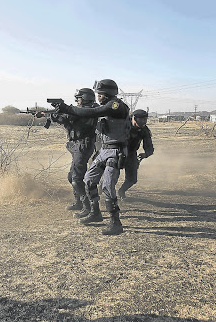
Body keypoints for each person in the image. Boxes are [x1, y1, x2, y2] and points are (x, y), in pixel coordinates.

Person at [56, 79, 130, 235]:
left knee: (107, 186)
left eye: (100, 94)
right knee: (89, 179)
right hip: (104, 150)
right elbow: (88, 112)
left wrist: (69, 109)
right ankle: (95, 213)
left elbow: (92, 112)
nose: (98, 97)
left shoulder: (116, 106)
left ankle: (115, 222)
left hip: (115, 151)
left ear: (108, 93)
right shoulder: (105, 107)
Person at [42, 88, 98, 217]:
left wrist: (49, 115)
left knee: (77, 179)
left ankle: (87, 207)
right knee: (71, 177)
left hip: (83, 145)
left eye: (79, 98)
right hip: (79, 145)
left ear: (84, 98)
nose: (77, 101)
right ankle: (78, 202)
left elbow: (64, 118)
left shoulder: (84, 110)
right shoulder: (86, 109)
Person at [117, 109, 154, 199]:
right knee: (111, 174)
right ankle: (102, 188)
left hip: (131, 154)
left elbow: (149, 146)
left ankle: (122, 191)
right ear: (134, 118)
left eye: (145, 119)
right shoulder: (122, 126)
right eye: (141, 119)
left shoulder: (144, 130)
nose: (143, 122)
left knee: (132, 179)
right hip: (117, 153)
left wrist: (146, 154)